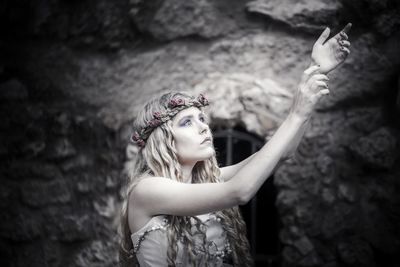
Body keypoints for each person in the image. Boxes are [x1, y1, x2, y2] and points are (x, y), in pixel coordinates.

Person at [118, 23, 352, 267]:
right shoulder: (146, 190)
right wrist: (295, 113)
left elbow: (282, 154)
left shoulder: (209, 181)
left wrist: (315, 75)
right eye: (186, 122)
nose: (202, 127)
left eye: (201, 119)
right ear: (162, 139)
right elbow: (240, 191)